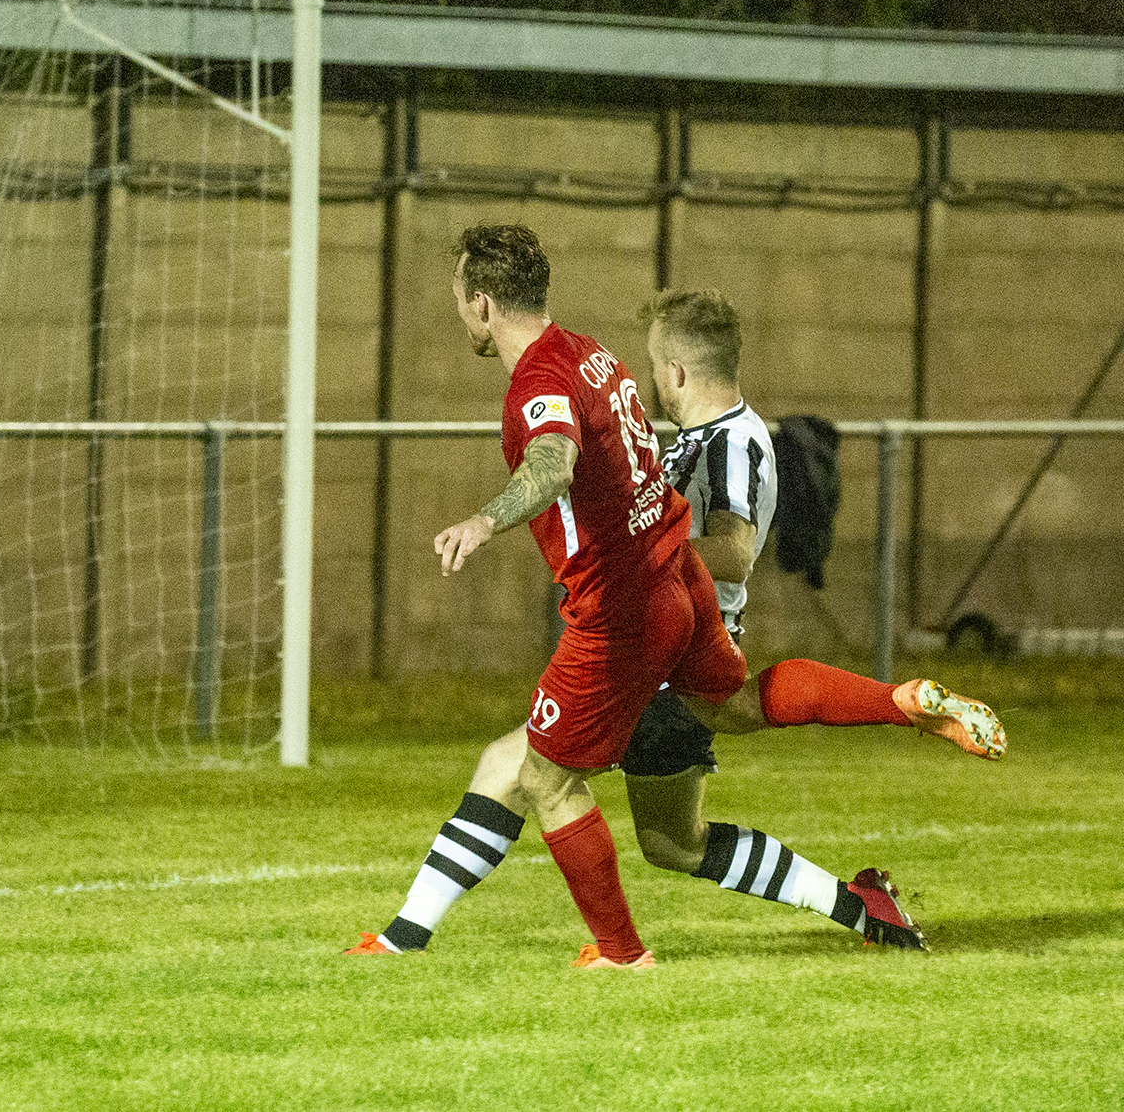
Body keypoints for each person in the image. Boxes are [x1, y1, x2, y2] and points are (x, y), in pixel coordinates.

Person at [345, 286, 1002, 961]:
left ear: (677, 374)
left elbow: (737, 553)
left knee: (521, 769)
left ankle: (449, 940)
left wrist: (637, 550)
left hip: (658, 643)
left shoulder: (733, 442)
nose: (652, 381)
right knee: (677, 836)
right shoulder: (700, 437)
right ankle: (863, 896)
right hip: (680, 635)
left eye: (656, 368)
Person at [348, 224, 750, 970]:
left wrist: (483, 517)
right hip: (666, 583)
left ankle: (623, 954)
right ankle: (404, 936)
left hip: (619, 614)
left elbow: (553, 463)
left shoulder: (537, 380)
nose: (460, 314)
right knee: (509, 760)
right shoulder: (589, 351)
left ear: (483, 303)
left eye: (459, 301)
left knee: (549, 779)